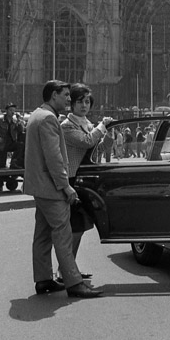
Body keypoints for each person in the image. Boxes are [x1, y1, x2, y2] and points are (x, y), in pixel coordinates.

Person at [24, 80, 102, 298]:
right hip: (51, 187)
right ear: (53, 95)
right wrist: (65, 187)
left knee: (42, 234)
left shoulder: (37, 115)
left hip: (39, 187)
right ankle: (74, 283)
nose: (69, 99)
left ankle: (43, 279)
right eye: (66, 95)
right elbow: (55, 159)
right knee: (63, 234)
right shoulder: (49, 119)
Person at [60, 83, 114, 268]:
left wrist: (109, 133)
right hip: (71, 179)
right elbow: (87, 141)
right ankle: (66, 270)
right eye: (80, 102)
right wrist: (101, 126)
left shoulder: (89, 124)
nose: (84, 105)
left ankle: (69, 268)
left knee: (80, 227)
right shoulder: (67, 126)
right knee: (73, 226)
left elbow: (97, 148)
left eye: (87, 102)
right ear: (72, 104)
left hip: (86, 180)